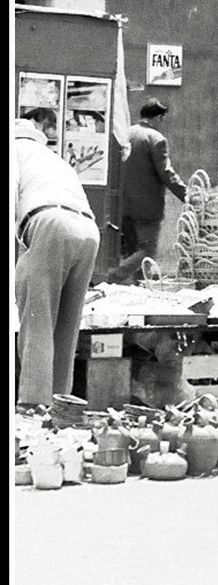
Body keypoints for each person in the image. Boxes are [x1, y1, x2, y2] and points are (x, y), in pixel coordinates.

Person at [14, 112, 101, 406]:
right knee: (66, 326)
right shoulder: (53, 159)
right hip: (89, 230)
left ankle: (33, 409)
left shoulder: (14, 149)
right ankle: (62, 409)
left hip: (50, 223)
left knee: (37, 322)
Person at [106, 99, 187, 284]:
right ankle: (113, 276)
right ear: (158, 117)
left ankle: (139, 288)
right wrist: (187, 195)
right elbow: (167, 173)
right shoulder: (156, 139)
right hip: (147, 208)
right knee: (147, 252)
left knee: (133, 251)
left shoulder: (125, 134)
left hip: (123, 206)